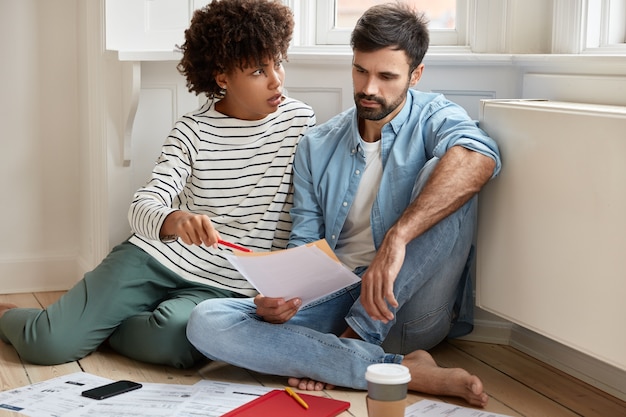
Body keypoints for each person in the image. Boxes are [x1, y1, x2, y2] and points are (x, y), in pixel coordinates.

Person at [186, 2, 501, 408]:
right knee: (207, 321)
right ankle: (397, 368)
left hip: (405, 307)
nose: (369, 88)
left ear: (415, 75)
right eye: (361, 71)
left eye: (387, 76)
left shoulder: (434, 117)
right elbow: (305, 242)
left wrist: (396, 240)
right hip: (335, 300)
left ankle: (348, 346)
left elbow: (480, 157)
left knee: (447, 175)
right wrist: (283, 298)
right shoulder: (317, 145)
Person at [0, 0, 315, 369]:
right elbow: (144, 204)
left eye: (277, 62)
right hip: (153, 259)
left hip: (223, 282)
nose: (276, 79)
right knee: (47, 346)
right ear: (222, 77)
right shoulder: (192, 131)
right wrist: (175, 220)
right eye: (259, 70)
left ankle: (90, 323)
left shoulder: (300, 123)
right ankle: (15, 317)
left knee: (180, 347)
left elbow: (308, 213)